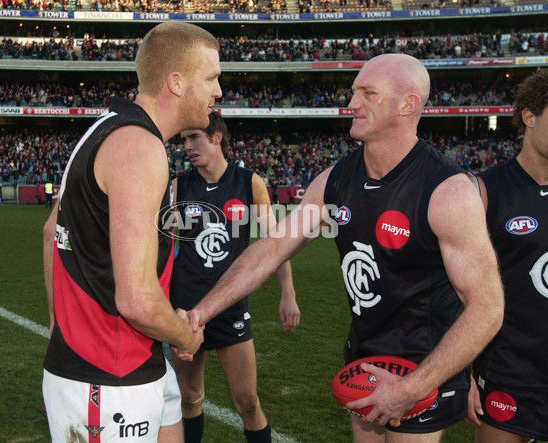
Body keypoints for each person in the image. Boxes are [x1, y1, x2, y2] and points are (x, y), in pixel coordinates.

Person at [188, 54, 504, 442]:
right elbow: (269, 250)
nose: (351, 104)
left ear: (407, 105)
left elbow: (487, 307)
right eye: (354, 92)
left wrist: (413, 387)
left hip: (423, 370)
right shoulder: (335, 179)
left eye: (368, 94)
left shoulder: (448, 191)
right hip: (363, 361)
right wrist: (202, 312)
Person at [41, 22, 221, 442]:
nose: (218, 92)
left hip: (131, 363)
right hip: (108, 375)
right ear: (176, 83)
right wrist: (185, 336)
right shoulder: (140, 146)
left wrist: (60, 328)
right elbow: (137, 301)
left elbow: (51, 232)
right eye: (211, 78)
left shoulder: (102, 128)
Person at [169, 112, 300, 443]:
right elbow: (164, 248)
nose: (187, 146)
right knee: (189, 399)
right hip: (185, 310)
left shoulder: (248, 182)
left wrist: (288, 293)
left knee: (248, 402)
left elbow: (274, 244)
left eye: (194, 137)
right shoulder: (179, 186)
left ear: (216, 138)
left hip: (229, 306)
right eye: (183, 139)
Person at [466, 69, 548, 442]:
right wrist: (462, 374)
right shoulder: (486, 191)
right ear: (529, 116)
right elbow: (456, 290)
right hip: (506, 369)